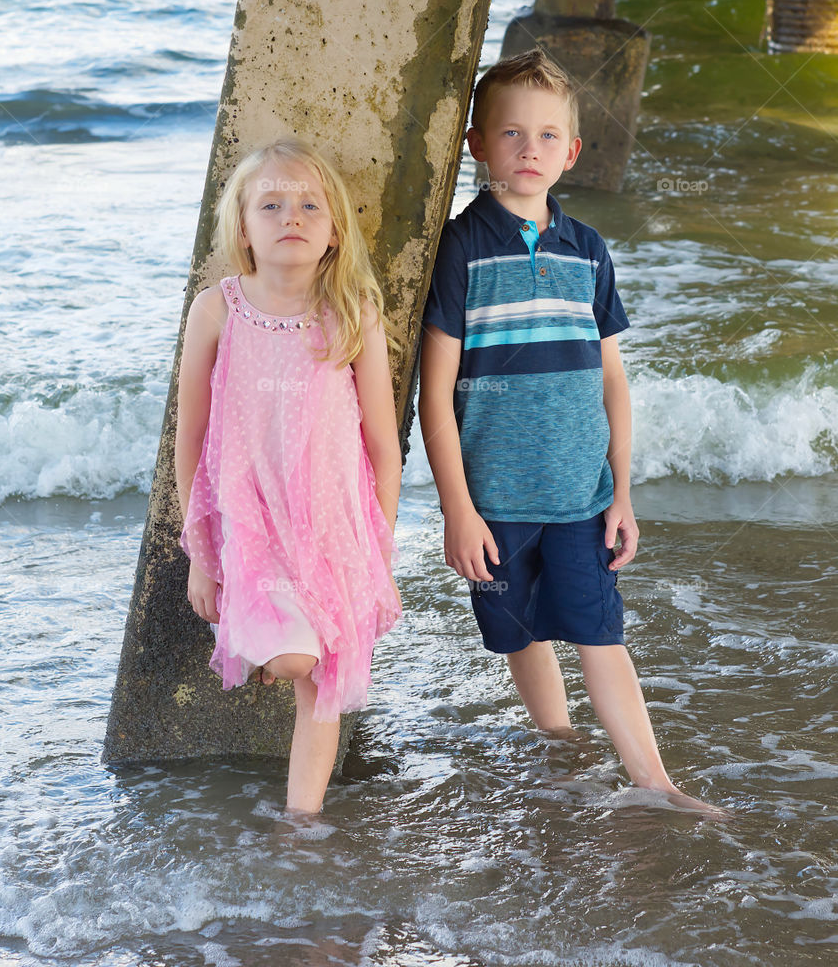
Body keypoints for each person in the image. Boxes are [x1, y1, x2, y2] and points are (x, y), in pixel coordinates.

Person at [419, 49, 722, 814]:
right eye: (512, 133)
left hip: (582, 493)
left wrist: (621, 494)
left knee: (600, 633)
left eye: (548, 135)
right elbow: (434, 392)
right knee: (522, 634)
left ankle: (653, 780)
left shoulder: (587, 250)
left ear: (572, 151)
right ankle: (558, 742)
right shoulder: (461, 248)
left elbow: (611, 382)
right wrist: (458, 508)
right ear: (476, 143)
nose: (530, 149)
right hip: (496, 499)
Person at [175, 137, 403, 815]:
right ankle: (270, 646)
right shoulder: (216, 310)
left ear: (334, 231)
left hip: (333, 524)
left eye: (309, 204)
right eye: (270, 205)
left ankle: (300, 822)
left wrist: (377, 549)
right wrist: (200, 554)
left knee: (320, 678)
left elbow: (382, 446)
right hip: (250, 522)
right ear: (242, 230)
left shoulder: (351, 313)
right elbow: (190, 435)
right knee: (293, 662)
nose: (291, 216)